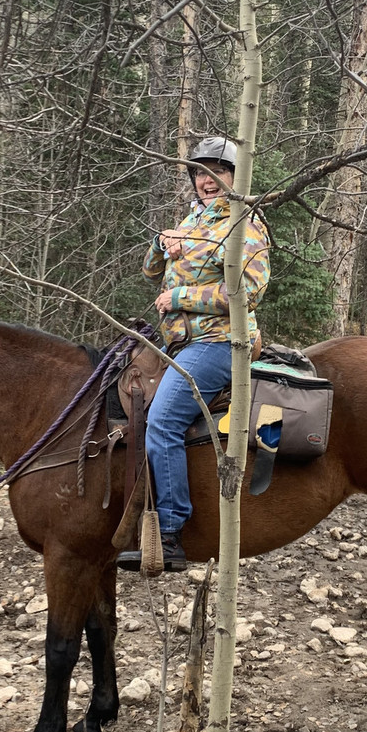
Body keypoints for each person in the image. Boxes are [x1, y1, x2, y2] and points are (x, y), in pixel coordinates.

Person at [117, 137, 271, 572]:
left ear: (235, 176)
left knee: (163, 420)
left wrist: (181, 294)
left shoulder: (245, 223)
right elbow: (150, 270)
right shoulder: (193, 219)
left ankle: (169, 535)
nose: (206, 180)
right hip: (180, 343)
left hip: (221, 342)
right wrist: (163, 243)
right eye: (199, 172)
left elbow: (250, 290)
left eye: (216, 171)